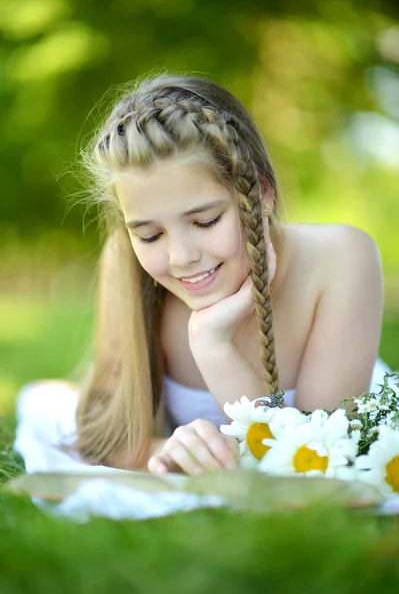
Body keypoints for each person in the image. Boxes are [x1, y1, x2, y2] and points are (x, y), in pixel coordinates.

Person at [16, 72, 387, 478]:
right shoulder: (127, 262)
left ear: (261, 194)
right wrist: (165, 450)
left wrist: (212, 343)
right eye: (151, 234)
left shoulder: (340, 258)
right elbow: (116, 437)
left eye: (206, 221)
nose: (180, 257)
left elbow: (309, 463)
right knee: (50, 405)